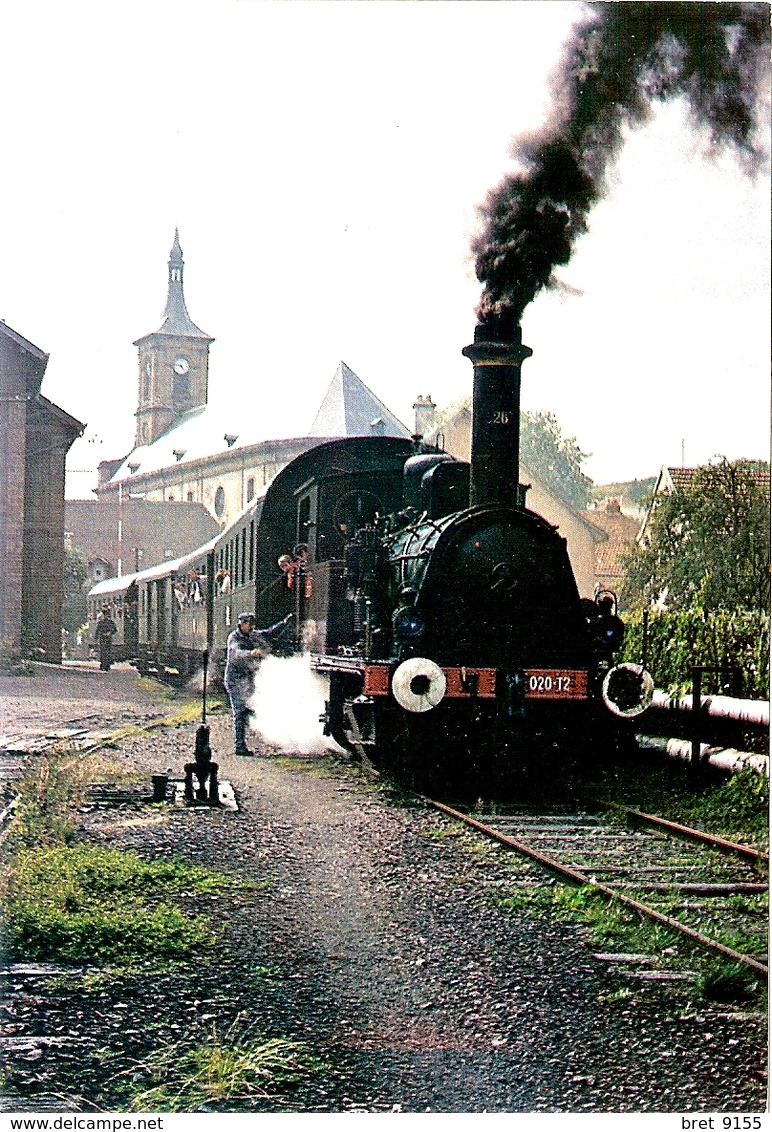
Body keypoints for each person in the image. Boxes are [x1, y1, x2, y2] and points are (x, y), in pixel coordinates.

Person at [224, 611, 292, 755]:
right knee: (239, 712)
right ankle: (239, 746)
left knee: (252, 709)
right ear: (241, 624)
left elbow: (268, 633)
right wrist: (251, 653)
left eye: (252, 623)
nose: (251, 626)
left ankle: (261, 734)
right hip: (235, 680)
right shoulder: (234, 638)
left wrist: (284, 623)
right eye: (249, 623)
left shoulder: (253, 634)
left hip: (247, 679)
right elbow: (236, 653)